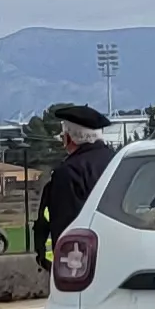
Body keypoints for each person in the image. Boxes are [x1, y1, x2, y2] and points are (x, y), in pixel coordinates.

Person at [35, 104, 114, 247]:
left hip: (81, 256)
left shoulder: (69, 172)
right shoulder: (118, 161)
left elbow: (65, 223)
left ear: (69, 139)